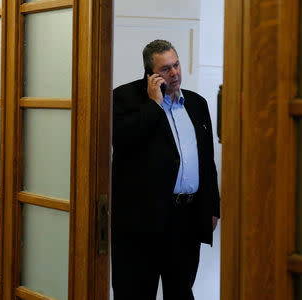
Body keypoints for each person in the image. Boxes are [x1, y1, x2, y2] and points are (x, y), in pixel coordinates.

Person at [111, 39, 220, 300]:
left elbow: (206, 160)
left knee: (181, 292)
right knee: (136, 292)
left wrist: (212, 207)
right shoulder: (124, 98)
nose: (175, 73)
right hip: (142, 221)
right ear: (151, 75)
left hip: (186, 219)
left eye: (177, 65)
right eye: (166, 69)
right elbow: (122, 140)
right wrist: (154, 104)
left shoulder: (197, 103)